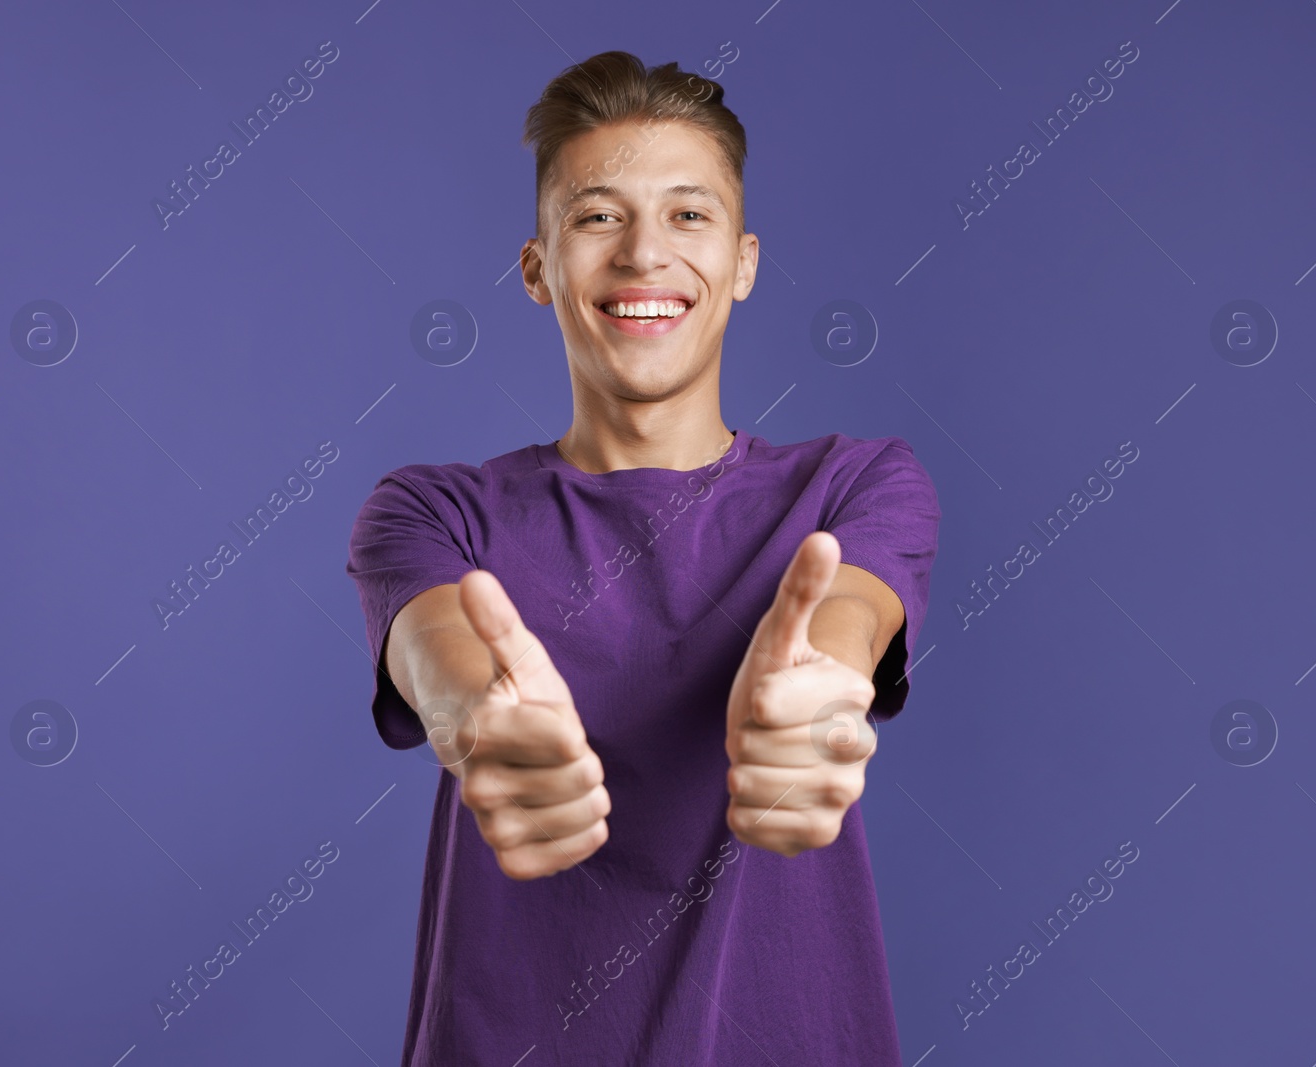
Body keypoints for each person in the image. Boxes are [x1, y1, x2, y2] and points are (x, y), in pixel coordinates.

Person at [346, 49, 940, 1066]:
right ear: (538, 268)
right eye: (596, 216)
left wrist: (821, 690)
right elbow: (439, 651)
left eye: (687, 214)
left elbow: (848, 615)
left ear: (744, 262)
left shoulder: (855, 487)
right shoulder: (431, 511)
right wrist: (474, 717)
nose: (642, 254)